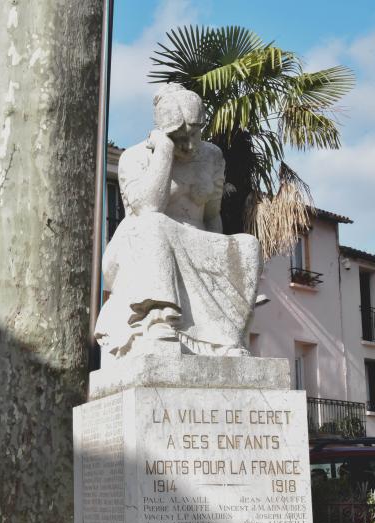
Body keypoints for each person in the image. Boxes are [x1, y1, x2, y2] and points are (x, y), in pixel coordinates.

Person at [94, 84, 261, 362]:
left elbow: (211, 217)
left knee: (248, 245)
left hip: (194, 239)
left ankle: (226, 334)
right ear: (161, 132)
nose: (189, 145)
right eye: (178, 137)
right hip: (142, 244)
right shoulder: (134, 158)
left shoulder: (212, 157)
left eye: (194, 134)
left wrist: (220, 262)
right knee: (153, 223)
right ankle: (160, 317)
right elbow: (148, 207)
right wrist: (163, 153)